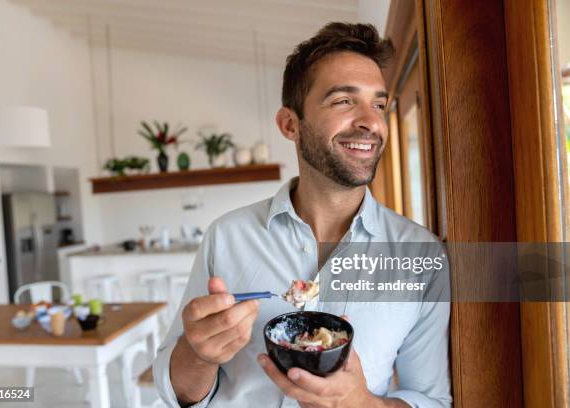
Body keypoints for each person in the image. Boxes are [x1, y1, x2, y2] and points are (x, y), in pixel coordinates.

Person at [153, 22, 451, 408]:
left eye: (379, 104)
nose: (370, 122)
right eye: (344, 101)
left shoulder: (420, 257)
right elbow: (175, 390)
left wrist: (362, 404)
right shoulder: (226, 237)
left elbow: (433, 401)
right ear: (290, 125)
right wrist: (198, 355)